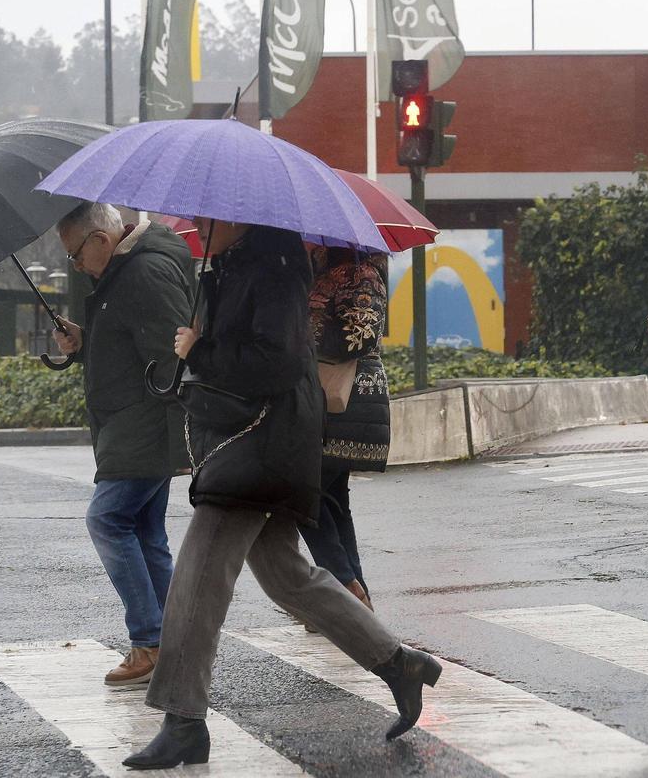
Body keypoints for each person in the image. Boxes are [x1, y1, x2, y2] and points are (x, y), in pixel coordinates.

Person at [124, 219, 440, 771]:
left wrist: (200, 350)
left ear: (241, 218)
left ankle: (182, 720)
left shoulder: (273, 270)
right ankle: (398, 664)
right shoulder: (235, 267)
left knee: (198, 575)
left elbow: (275, 363)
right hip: (251, 440)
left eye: (208, 218)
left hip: (263, 443)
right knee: (284, 572)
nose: (200, 227)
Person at [52, 202, 192, 685]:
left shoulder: (143, 272)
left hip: (142, 425)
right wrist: (86, 340)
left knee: (107, 520)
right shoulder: (125, 270)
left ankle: (150, 641)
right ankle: (173, 642)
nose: (74, 266)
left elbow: (168, 353)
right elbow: (133, 341)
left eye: (74, 255)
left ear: (100, 241)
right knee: (147, 533)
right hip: (138, 423)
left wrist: (158, 416)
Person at [298, 245, 392, 613]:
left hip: (347, 401)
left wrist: (305, 335)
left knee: (306, 499)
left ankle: (343, 587)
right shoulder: (325, 274)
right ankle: (355, 595)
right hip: (332, 401)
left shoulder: (361, 276)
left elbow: (360, 337)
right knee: (333, 502)